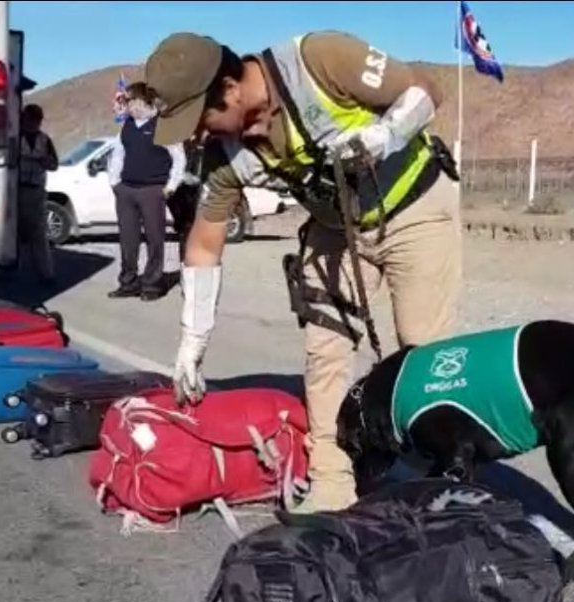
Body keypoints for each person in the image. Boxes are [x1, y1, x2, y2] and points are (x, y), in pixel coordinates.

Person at [143, 30, 464, 512]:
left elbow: (425, 88)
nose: (197, 135)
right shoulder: (222, 156)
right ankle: (332, 483)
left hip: (413, 208)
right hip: (335, 227)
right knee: (325, 354)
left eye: (199, 117)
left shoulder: (318, 59)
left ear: (230, 90)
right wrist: (193, 338)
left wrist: (385, 135)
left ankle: (439, 478)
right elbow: (205, 243)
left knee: (423, 355)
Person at [105, 81, 175, 301]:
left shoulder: (162, 125)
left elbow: (178, 157)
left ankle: (152, 284)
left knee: (155, 238)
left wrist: (171, 186)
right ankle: (128, 282)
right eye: (128, 102)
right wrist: (114, 182)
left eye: (133, 101)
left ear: (145, 102)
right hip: (126, 190)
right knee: (128, 239)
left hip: (152, 189)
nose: (130, 106)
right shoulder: (127, 126)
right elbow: (118, 154)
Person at [18, 103, 58, 284]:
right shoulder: (15, 137)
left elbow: (54, 165)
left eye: (36, 119)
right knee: (14, 233)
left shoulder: (44, 140)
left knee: (39, 234)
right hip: (16, 189)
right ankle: (13, 270)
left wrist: (44, 160)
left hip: (36, 190)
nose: (33, 122)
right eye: (30, 118)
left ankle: (45, 274)